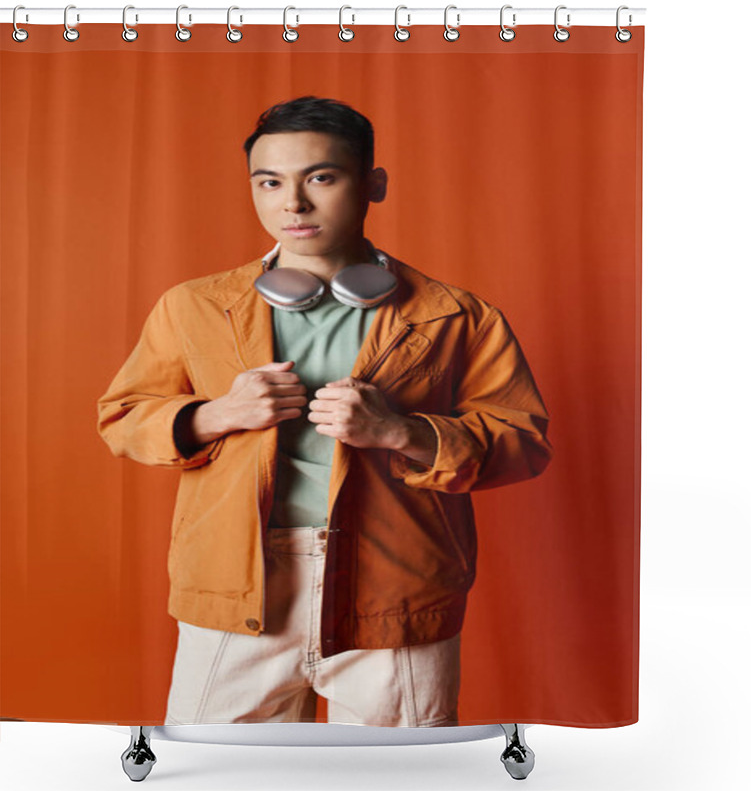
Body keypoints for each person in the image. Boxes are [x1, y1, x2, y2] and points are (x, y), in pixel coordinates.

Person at [97, 95, 553, 728]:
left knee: (397, 781)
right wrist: (218, 414)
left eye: (321, 177)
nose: (293, 203)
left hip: (397, 590)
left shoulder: (456, 314)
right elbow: (123, 416)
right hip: (237, 583)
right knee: (219, 775)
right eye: (270, 182)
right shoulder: (193, 306)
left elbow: (523, 439)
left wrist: (403, 431)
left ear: (372, 184)